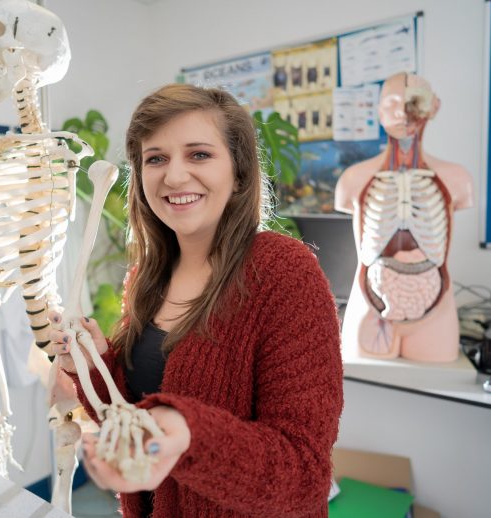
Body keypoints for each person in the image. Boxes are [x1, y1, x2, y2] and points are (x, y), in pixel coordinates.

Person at [49, 83, 343, 517]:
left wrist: (186, 432)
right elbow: (134, 421)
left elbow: (303, 474)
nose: (174, 175)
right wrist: (94, 368)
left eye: (199, 154)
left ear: (239, 172)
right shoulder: (146, 277)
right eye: (156, 159)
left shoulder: (284, 272)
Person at [335, 72, 474, 362]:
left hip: (435, 309)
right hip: (369, 306)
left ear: (434, 107)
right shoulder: (353, 179)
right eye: (392, 103)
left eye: (413, 103)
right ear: (379, 110)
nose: (402, 113)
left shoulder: (457, 179)